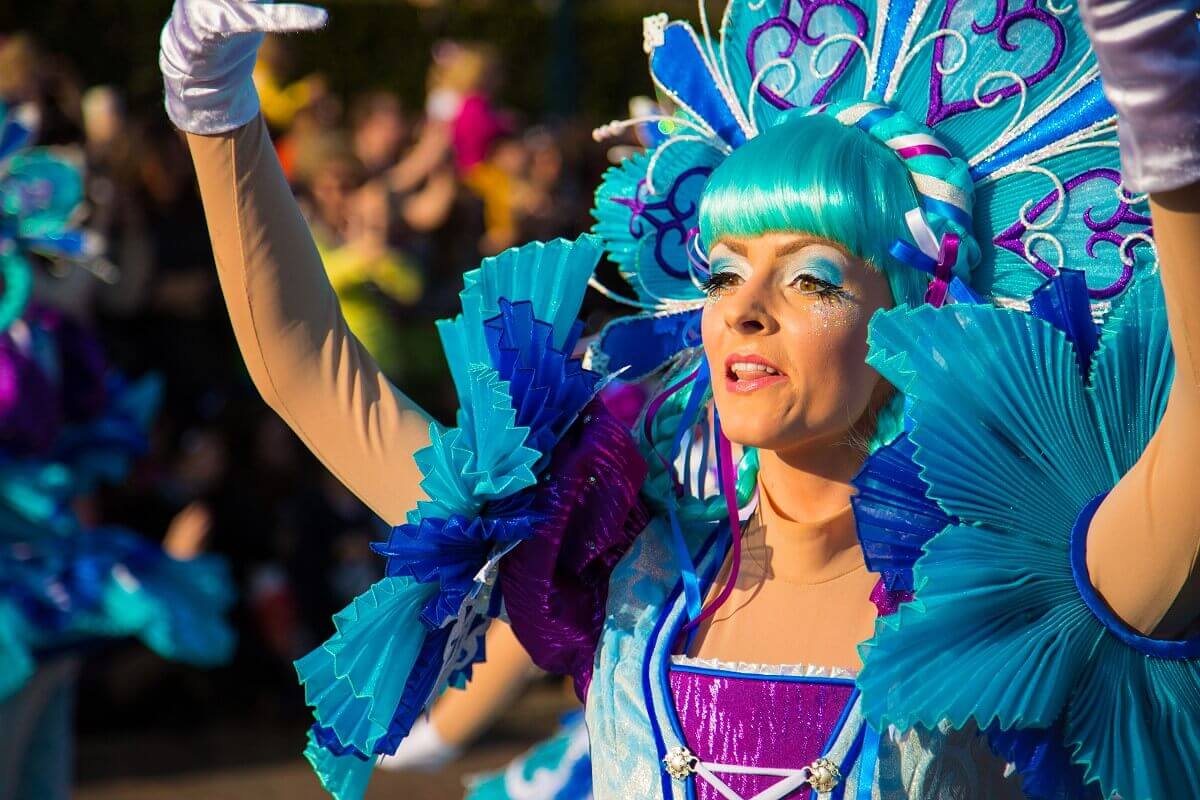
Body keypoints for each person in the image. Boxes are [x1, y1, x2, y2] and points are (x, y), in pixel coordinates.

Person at [160, 1, 1200, 799]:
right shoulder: (625, 559)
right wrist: (214, 110)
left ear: (919, 316)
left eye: (812, 278)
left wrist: (1168, 123)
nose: (742, 311)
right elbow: (305, 367)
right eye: (723, 269)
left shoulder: (1017, 589)